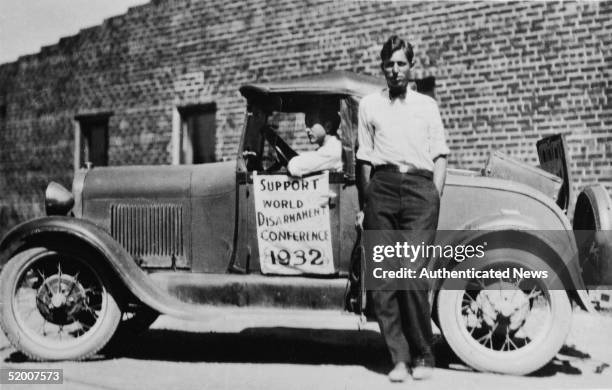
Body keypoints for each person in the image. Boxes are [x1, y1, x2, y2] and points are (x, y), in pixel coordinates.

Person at [356, 35, 449, 382]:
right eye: (389, 64)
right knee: (383, 278)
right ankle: (398, 357)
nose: (395, 70)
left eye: (401, 64)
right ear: (382, 68)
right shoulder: (370, 105)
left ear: (411, 67)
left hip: (420, 189)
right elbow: (364, 158)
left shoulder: (427, 106)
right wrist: (368, 202)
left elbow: (440, 155)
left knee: (410, 273)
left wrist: (434, 196)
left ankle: (424, 353)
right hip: (382, 187)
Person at [287, 107, 343, 177]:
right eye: (306, 125)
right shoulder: (331, 147)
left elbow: (295, 167)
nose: (307, 129)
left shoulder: (333, 150)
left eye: (311, 124)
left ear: (328, 126)